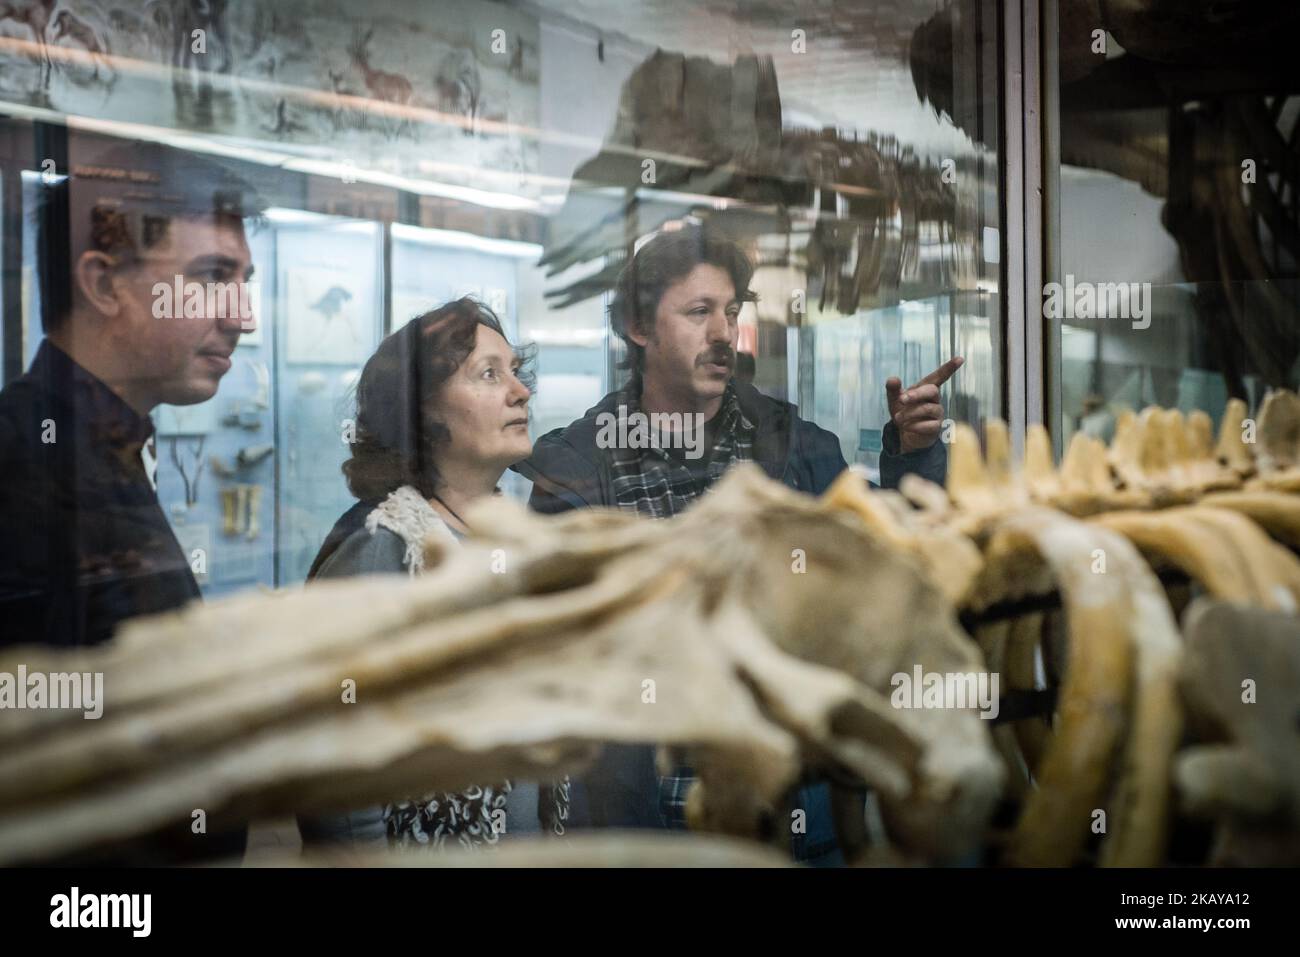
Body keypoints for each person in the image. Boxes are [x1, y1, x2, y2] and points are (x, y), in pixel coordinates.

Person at [514, 223, 963, 864]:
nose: (724, 333)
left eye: (731, 312)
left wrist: (913, 459)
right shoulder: (577, 472)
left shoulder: (799, 450)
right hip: (646, 839)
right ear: (640, 329)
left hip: (796, 829)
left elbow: (887, 573)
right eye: (698, 313)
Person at [300, 297, 572, 853]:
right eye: (488, 375)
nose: (521, 392)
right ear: (424, 413)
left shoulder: (509, 539)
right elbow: (338, 784)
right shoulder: (382, 548)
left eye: (515, 372)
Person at [0, 139, 261, 650]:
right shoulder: (23, 464)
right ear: (103, 285)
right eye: (212, 276)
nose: (243, 318)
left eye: (243, 282)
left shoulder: (95, 442)